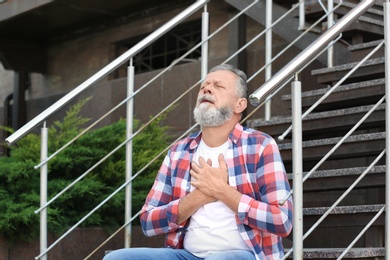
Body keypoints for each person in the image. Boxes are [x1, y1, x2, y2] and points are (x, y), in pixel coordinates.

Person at [103, 64, 293, 260]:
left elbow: (282, 220)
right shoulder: (179, 151)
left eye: (218, 86)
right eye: (204, 85)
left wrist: (222, 191)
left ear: (240, 105)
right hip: (186, 255)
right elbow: (148, 222)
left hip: (245, 255)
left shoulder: (260, 146)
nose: (207, 89)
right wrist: (201, 196)